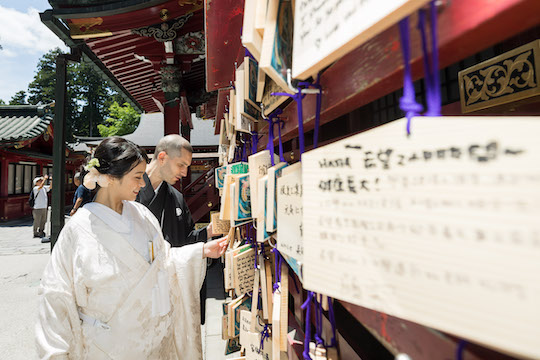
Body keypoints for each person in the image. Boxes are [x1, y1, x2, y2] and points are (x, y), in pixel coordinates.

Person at [36, 137, 228, 359]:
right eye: (137, 177)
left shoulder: (143, 216)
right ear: (109, 177)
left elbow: (164, 261)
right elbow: (56, 296)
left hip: (155, 344)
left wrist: (201, 251)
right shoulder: (78, 230)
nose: (143, 183)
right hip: (107, 346)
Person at [136, 134, 216, 247]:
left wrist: (209, 231)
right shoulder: (129, 188)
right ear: (162, 158)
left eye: (187, 167)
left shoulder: (176, 197)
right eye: (181, 165)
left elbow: (186, 239)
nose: (185, 173)